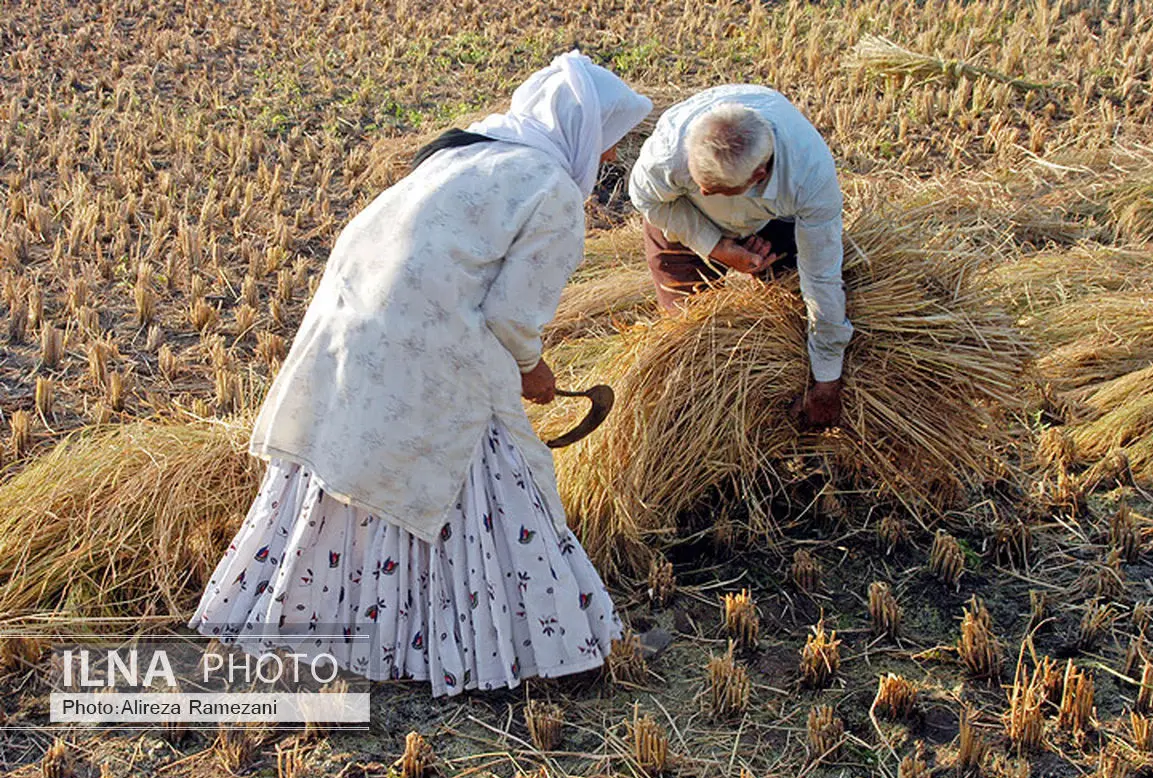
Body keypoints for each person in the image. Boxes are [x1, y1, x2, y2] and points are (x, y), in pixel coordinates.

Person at [189, 52, 653, 698]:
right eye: (608, 145)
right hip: (434, 353)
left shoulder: (465, 153)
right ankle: (536, 655)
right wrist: (534, 371)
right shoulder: (550, 191)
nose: (607, 160)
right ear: (580, 132)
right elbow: (512, 318)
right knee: (492, 481)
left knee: (357, 471)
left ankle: (320, 629)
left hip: (353, 335)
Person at [628, 85, 853, 428]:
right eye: (699, 183)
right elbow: (646, 199)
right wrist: (715, 246)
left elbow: (821, 279)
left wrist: (827, 384)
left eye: (715, 190)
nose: (703, 192)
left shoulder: (809, 178)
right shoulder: (669, 152)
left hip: (773, 218)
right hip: (681, 217)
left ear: (759, 175)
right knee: (690, 335)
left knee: (793, 310)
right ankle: (697, 419)